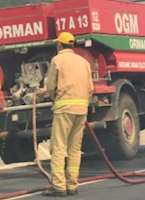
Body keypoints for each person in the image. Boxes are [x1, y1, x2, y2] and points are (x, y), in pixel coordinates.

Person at [42, 32, 94, 197]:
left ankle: (59, 186)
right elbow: (90, 88)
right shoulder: (83, 62)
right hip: (81, 110)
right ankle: (72, 185)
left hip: (64, 109)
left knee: (58, 148)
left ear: (59, 45)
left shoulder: (57, 60)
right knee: (74, 148)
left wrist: (54, 99)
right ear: (72, 45)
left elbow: (50, 85)